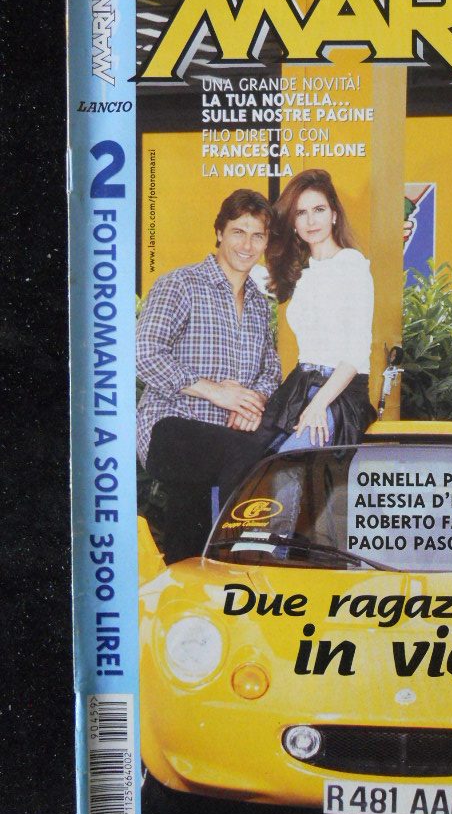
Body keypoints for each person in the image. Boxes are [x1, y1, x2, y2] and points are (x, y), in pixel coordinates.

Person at [136, 189, 281, 563]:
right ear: (219, 232)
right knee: (247, 454)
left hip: (225, 435)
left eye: (258, 236)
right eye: (238, 232)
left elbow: (271, 370)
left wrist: (252, 402)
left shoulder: (258, 303)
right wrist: (217, 393)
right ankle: (244, 559)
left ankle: (195, 578)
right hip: (170, 426)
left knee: (190, 528)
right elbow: (144, 353)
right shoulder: (180, 284)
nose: (247, 245)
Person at [257, 168, 376, 452]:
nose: (311, 221)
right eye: (301, 213)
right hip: (299, 386)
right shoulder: (301, 273)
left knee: (289, 462)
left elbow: (356, 354)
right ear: (293, 222)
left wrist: (319, 404)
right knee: (250, 459)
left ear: (334, 214)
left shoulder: (351, 264)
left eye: (319, 210)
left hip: (339, 393)